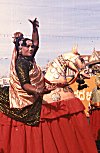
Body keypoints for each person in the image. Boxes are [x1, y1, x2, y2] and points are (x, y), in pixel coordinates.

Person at [0, 19, 98, 153]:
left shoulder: (29, 58)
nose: (30, 48)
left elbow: (36, 44)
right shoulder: (22, 63)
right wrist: (39, 90)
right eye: (26, 47)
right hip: (25, 96)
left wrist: (34, 29)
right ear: (19, 49)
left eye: (31, 47)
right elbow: (25, 85)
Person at [89, 72, 100, 151]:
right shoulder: (94, 89)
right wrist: (93, 104)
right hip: (95, 111)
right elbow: (91, 100)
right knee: (94, 131)